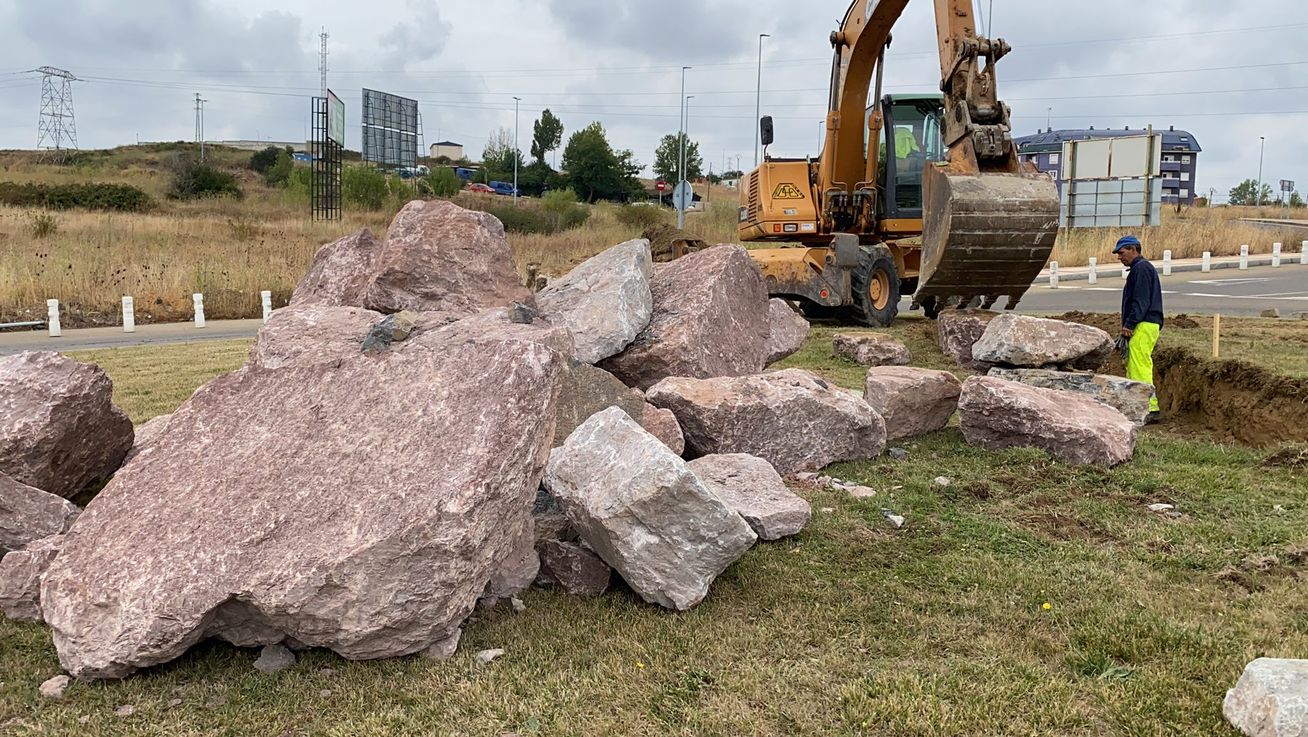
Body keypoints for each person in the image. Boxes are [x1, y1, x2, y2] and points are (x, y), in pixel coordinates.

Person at [1114, 234, 1163, 423]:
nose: (1119, 257)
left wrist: (1130, 324)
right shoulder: (1140, 268)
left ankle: (1148, 407)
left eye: (1121, 252)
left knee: (1139, 364)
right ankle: (1139, 403)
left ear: (1133, 249)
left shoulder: (1141, 269)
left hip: (1144, 323)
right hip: (1146, 323)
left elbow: (1141, 300)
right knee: (1135, 363)